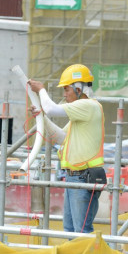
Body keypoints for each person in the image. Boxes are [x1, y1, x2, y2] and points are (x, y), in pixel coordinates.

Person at [27, 64, 106, 234]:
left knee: (81, 232)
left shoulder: (88, 106)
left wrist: (41, 90)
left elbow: (51, 109)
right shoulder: (81, 112)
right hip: (73, 177)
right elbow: (60, 138)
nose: (65, 94)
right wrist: (41, 117)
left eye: (67, 89)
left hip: (83, 177)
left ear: (79, 88)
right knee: (70, 229)